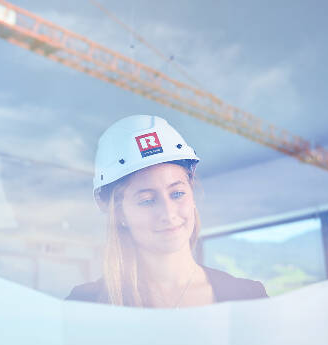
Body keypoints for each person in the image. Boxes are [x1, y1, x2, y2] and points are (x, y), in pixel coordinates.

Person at [66, 115, 267, 307]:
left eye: (177, 194)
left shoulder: (248, 297)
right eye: (146, 201)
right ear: (120, 214)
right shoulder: (84, 304)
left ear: (192, 196)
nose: (168, 213)